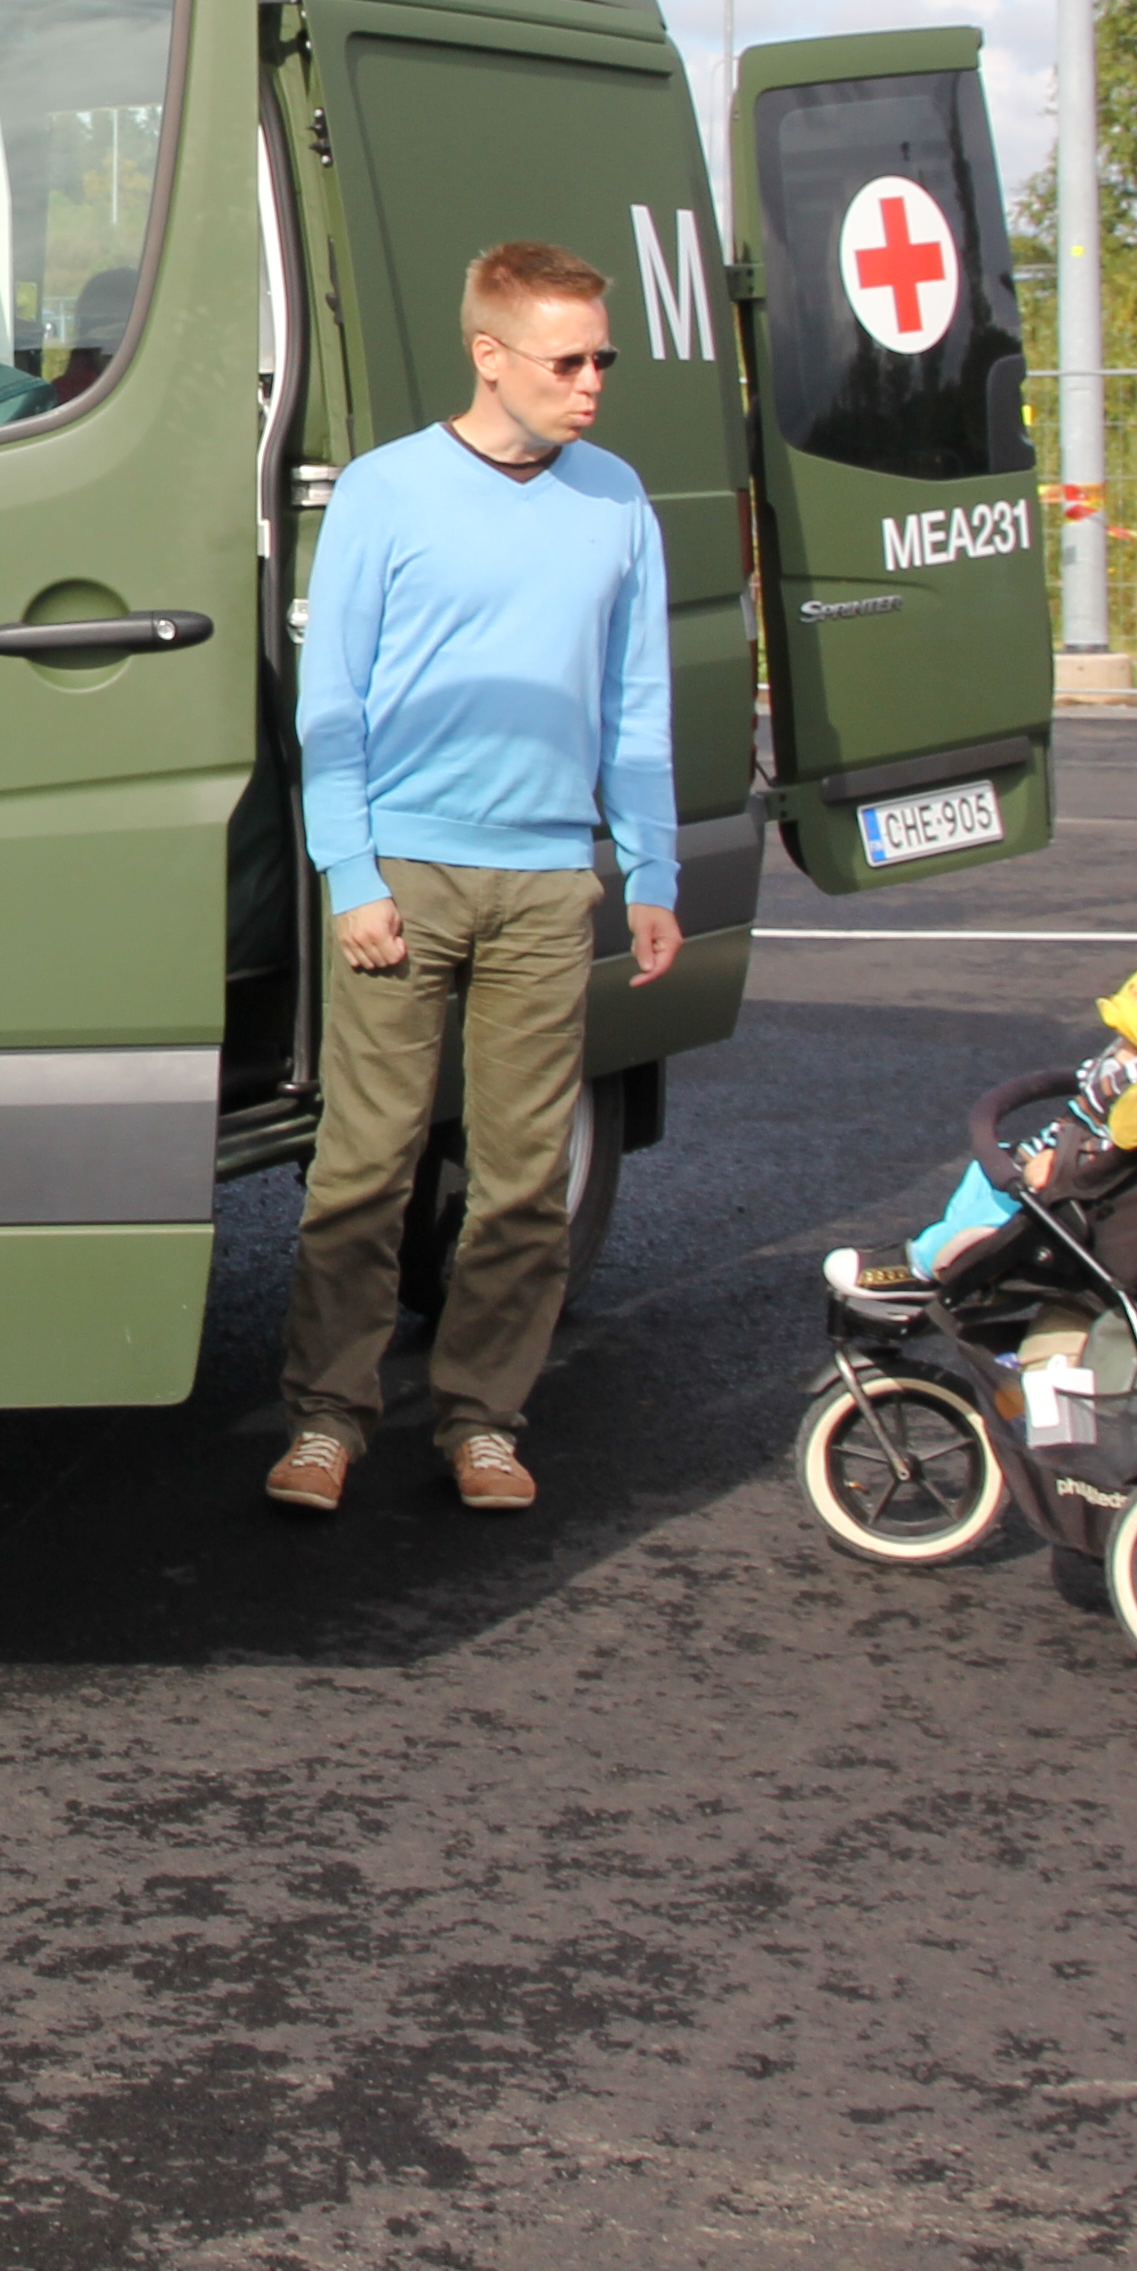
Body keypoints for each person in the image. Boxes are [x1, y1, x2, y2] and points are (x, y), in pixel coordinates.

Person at [267, 239, 681, 1517]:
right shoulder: (388, 493)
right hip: (407, 878)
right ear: (488, 355)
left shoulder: (617, 499)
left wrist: (652, 866)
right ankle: (328, 1419)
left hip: (550, 888)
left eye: (603, 356)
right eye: (569, 359)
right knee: (364, 1165)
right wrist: (351, 873)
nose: (594, 381)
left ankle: (483, 1420)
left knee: (520, 1179)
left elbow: (637, 703)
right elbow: (328, 700)